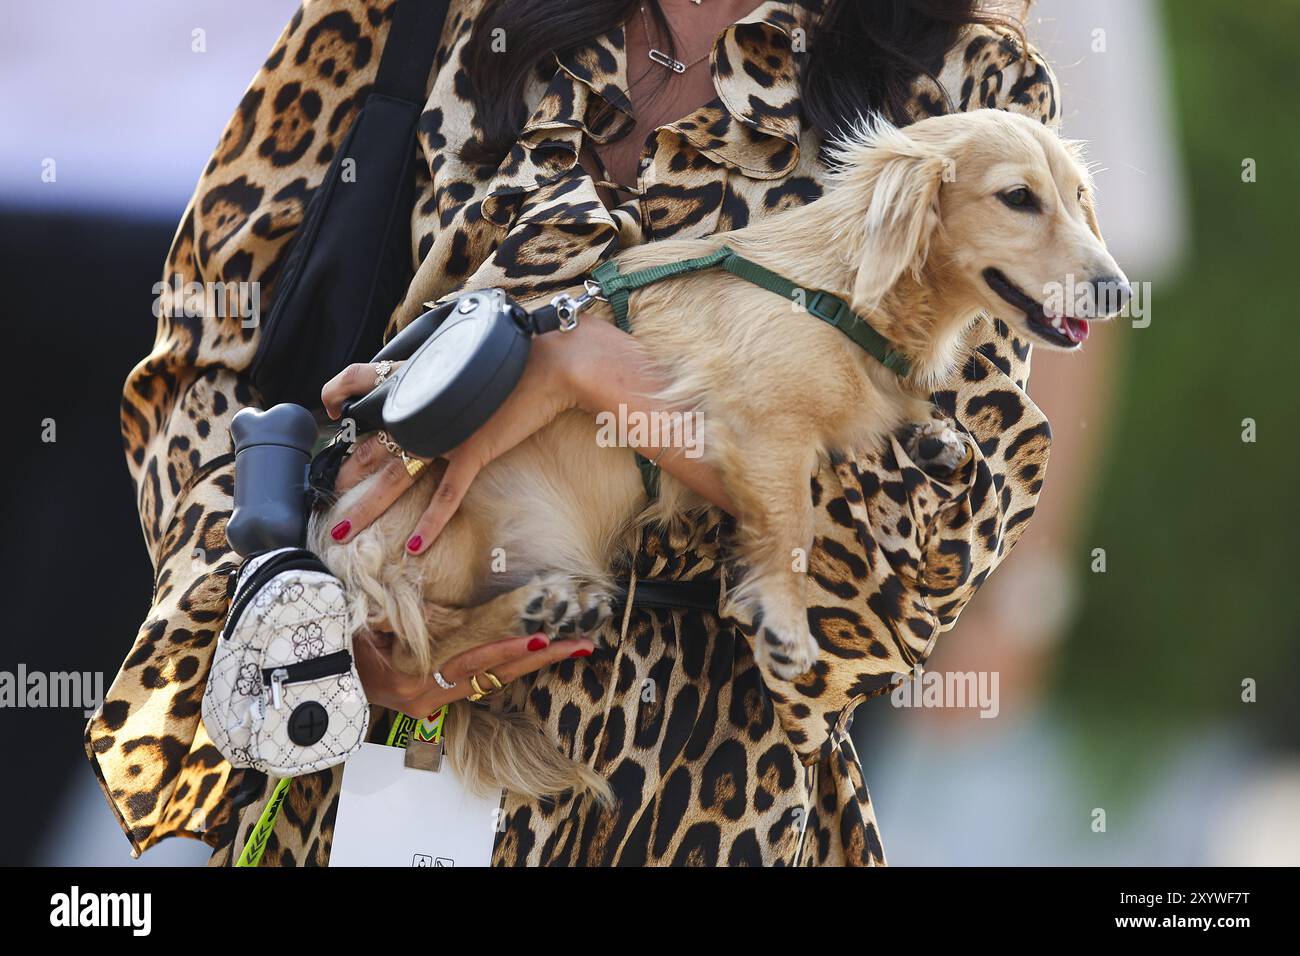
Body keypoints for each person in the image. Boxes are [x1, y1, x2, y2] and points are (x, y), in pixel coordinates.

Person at [92, 0, 1060, 866]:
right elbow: (204, 354)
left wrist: (593, 371)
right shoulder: (419, 14)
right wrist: (300, 610)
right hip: (368, 779)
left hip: (698, 804)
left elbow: (905, 570)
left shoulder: (957, 88)